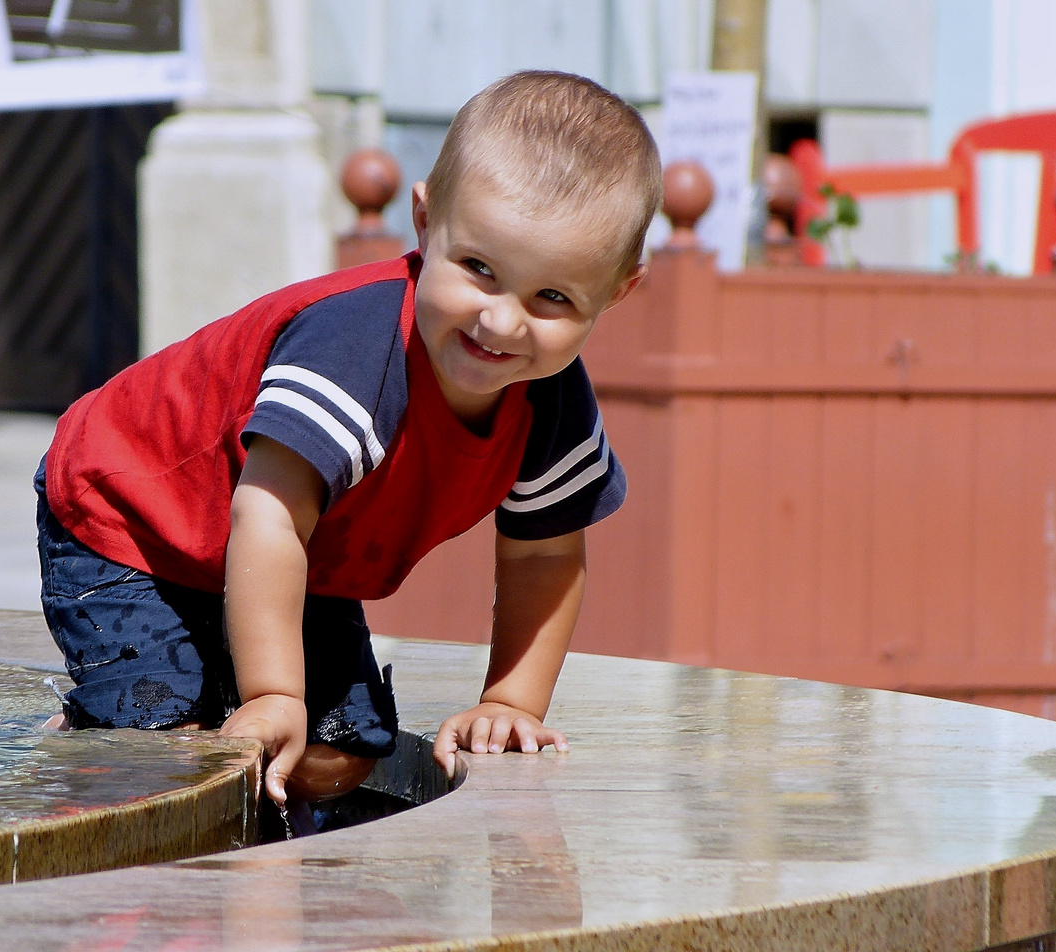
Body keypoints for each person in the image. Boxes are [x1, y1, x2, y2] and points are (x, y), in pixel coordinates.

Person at [37, 70, 659, 812]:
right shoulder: (356, 353)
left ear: (618, 290)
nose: (501, 321)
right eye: (478, 270)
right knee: (167, 746)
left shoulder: (549, 401)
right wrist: (272, 693)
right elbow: (267, 514)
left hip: (296, 546)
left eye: (551, 297)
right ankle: (82, 737)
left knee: (333, 760)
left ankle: (227, 715)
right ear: (425, 224)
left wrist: (511, 702)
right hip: (130, 510)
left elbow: (547, 552)